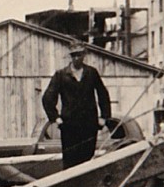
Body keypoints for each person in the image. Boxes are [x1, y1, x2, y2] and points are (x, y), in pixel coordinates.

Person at [41, 40, 112, 169]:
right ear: (70, 56)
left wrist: (104, 117)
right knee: (70, 161)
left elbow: (103, 94)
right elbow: (47, 98)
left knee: (88, 161)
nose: (76, 58)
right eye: (74, 55)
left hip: (89, 125)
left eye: (79, 54)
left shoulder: (91, 73)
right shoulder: (61, 75)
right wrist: (56, 118)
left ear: (84, 54)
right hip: (69, 126)